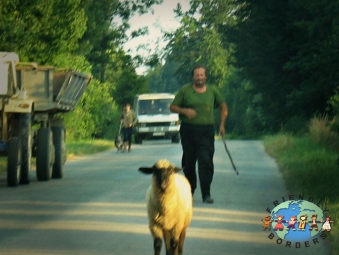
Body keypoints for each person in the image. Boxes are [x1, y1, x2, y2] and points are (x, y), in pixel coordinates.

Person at [170, 65, 228, 203]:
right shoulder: (185, 91)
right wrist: (184, 111)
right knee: (189, 162)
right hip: (188, 130)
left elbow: (223, 107)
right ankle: (190, 191)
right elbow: (173, 107)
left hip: (206, 130)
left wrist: (221, 125)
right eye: (197, 75)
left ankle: (206, 194)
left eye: (202, 75)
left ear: (206, 77)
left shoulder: (213, 91)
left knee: (206, 161)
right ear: (193, 77)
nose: (199, 77)